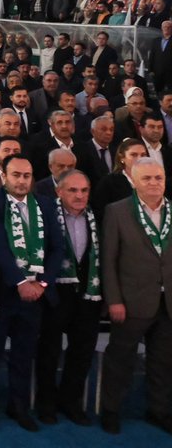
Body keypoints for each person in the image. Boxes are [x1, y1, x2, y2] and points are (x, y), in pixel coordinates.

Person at [0, 154, 64, 432]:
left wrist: (42, 284)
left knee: (24, 355)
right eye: (16, 175)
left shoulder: (46, 206)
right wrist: (20, 283)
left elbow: (58, 248)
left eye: (27, 175)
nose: (22, 180)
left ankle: (19, 406)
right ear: (5, 176)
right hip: (2, 294)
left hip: (36, 296)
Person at [100, 156, 172, 434]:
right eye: (147, 178)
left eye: (159, 178)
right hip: (129, 303)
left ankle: (159, 411)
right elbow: (109, 260)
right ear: (134, 181)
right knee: (120, 360)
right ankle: (111, 410)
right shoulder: (117, 211)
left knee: (163, 362)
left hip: (168, 303)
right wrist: (114, 299)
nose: (154, 183)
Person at [34, 169, 99, 426]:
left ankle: (71, 402)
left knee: (81, 353)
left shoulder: (98, 216)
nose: (79, 195)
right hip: (55, 294)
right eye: (72, 190)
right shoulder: (46, 215)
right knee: (49, 351)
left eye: (84, 190)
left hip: (88, 295)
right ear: (58, 192)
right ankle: (46, 404)